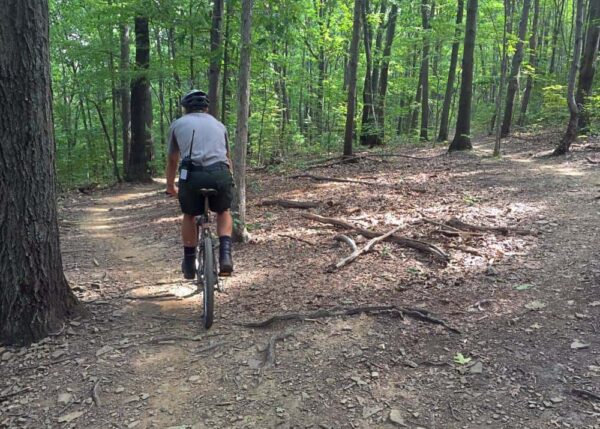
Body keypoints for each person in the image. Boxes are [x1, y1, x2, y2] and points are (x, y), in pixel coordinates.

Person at [165, 90, 234, 279]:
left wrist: (170, 186)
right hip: (220, 174)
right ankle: (225, 256)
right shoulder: (220, 125)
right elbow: (227, 158)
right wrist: (230, 179)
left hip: (192, 176)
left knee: (189, 215)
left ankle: (189, 263)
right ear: (207, 107)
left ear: (185, 108)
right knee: (223, 211)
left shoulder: (178, 124)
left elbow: (172, 160)